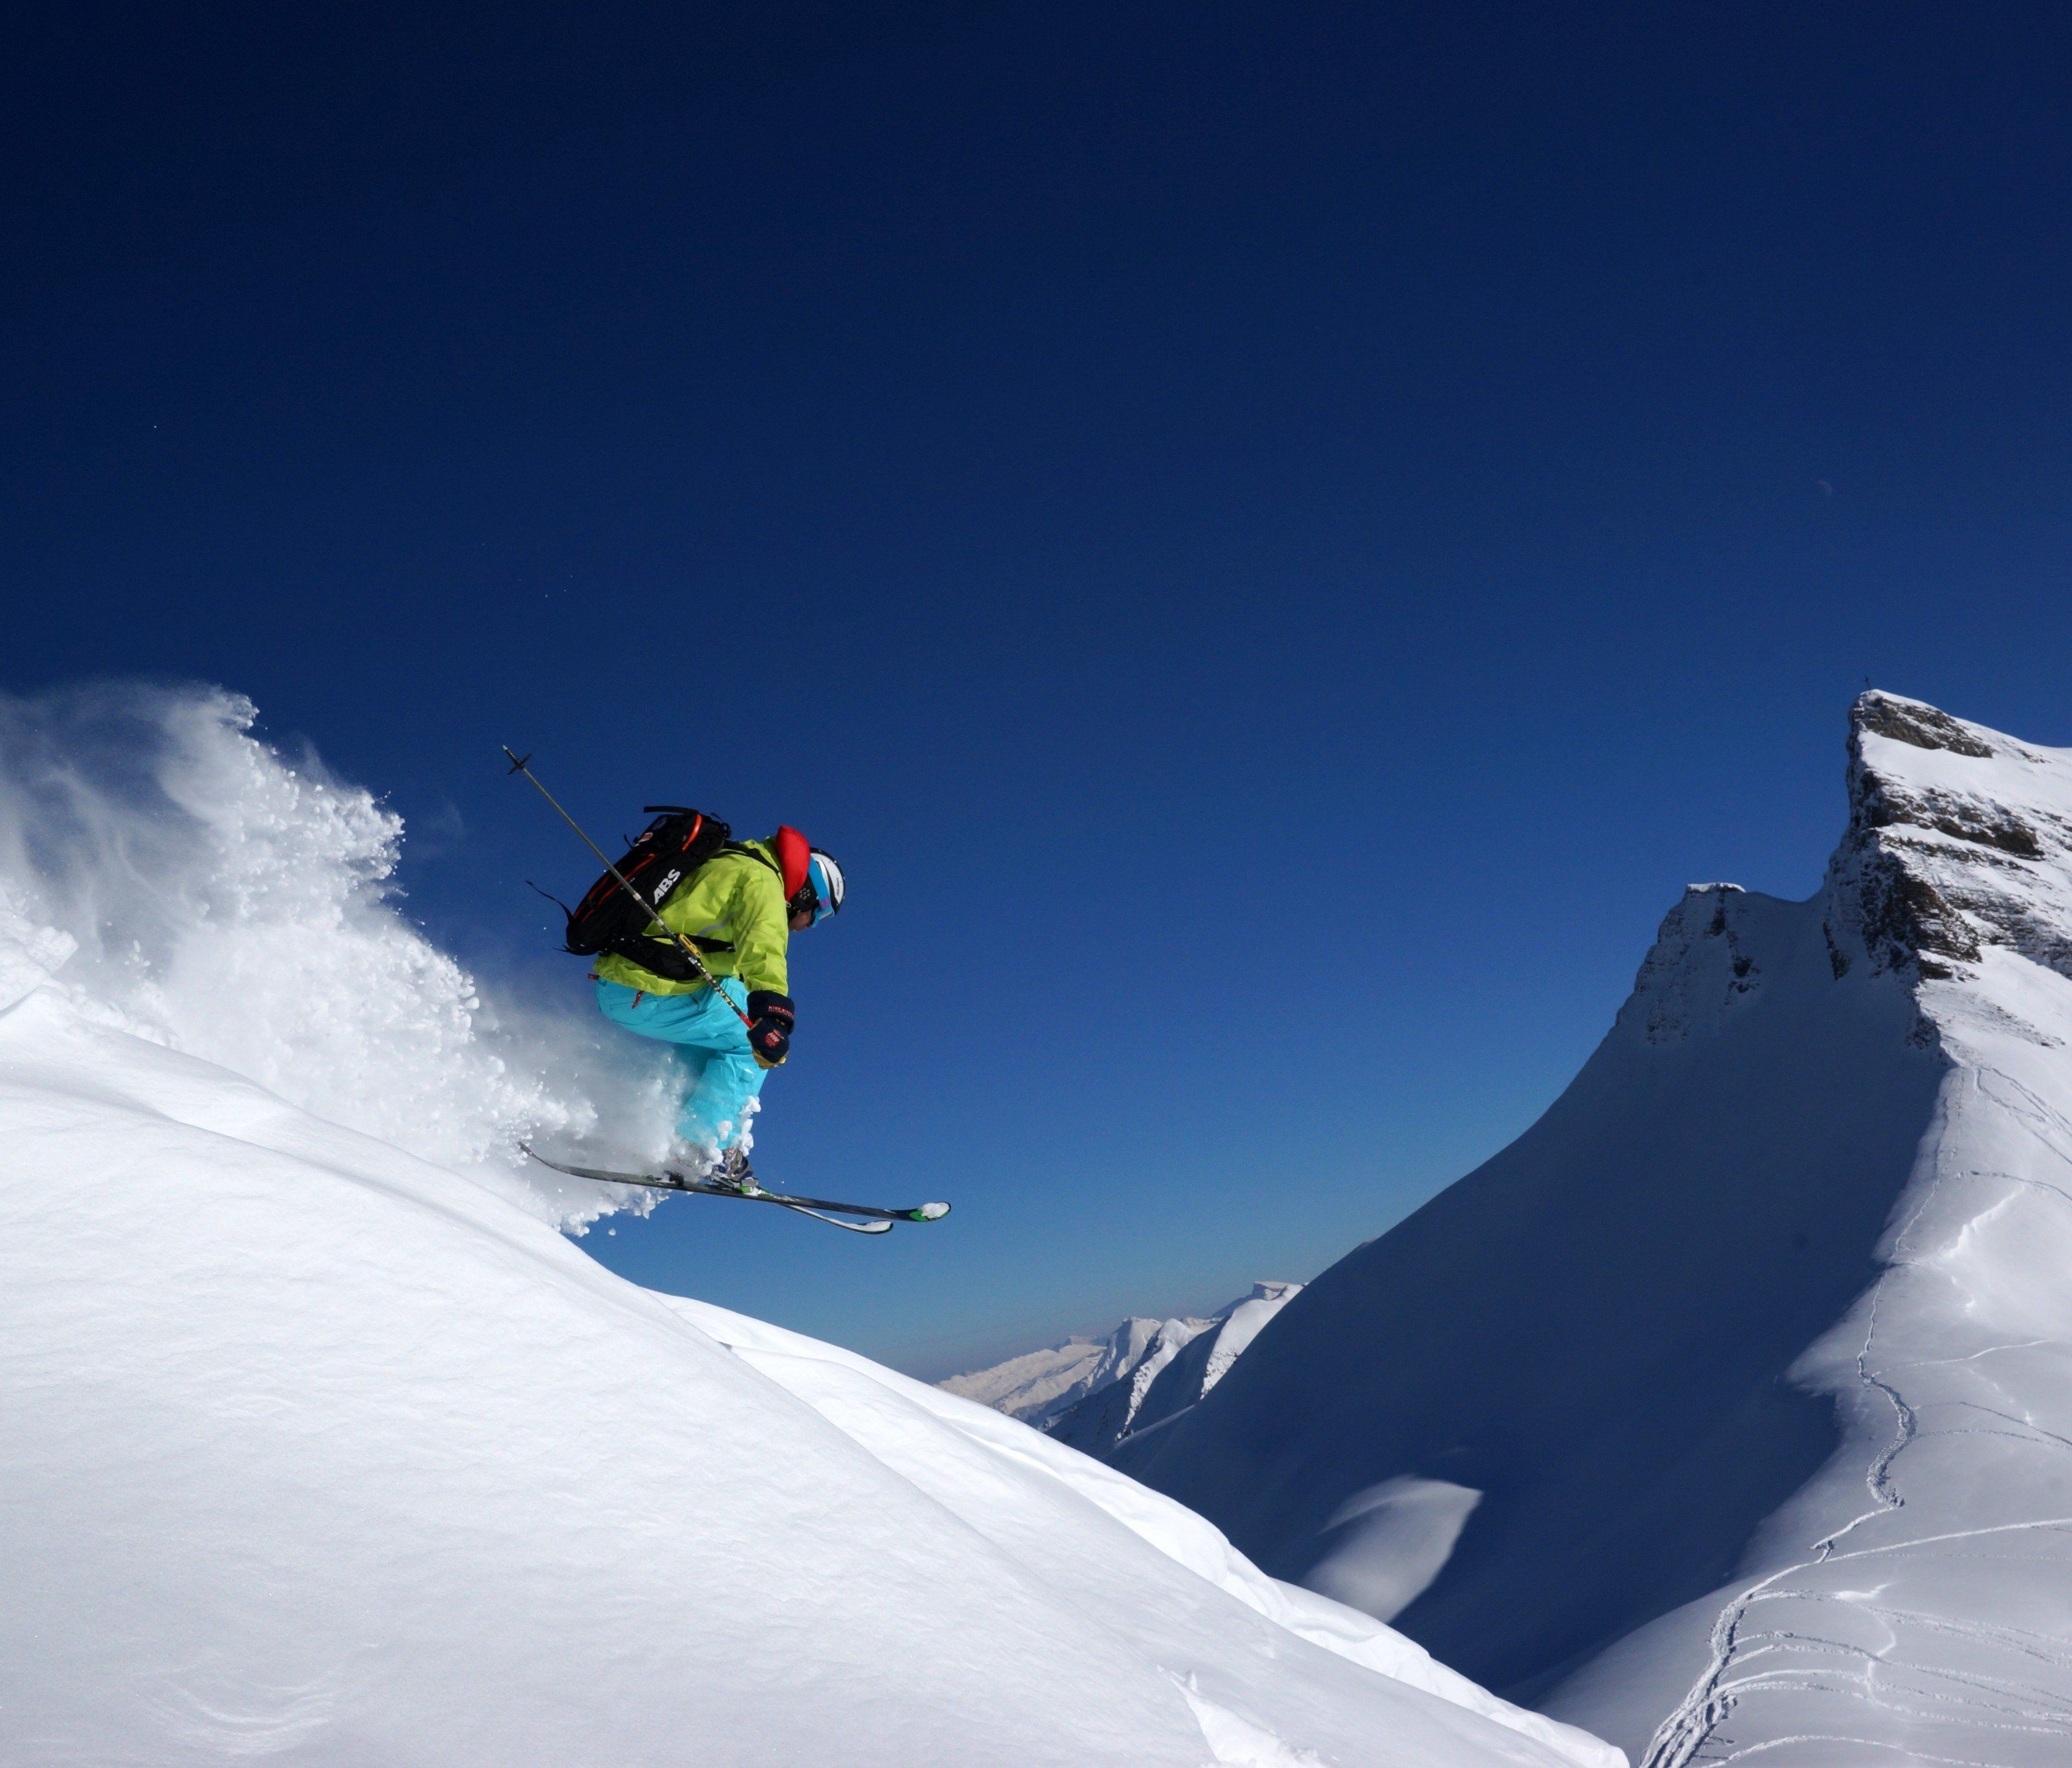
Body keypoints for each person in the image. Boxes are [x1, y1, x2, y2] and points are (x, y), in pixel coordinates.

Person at [591, 824, 844, 1188]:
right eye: (819, 914)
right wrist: (773, 1017)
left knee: (716, 1035)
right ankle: (699, 1145)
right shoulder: (763, 882)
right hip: (646, 987)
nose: (809, 926)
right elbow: (764, 948)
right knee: (754, 1042)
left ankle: (672, 1134)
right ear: (807, 892)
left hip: (628, 986)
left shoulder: (736, 863)